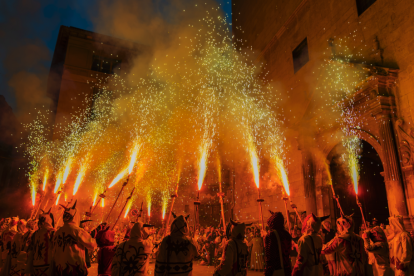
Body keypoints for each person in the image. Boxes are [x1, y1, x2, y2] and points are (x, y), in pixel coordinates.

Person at [51, 200, 97, 276]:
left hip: (59, 268)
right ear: (75, 216)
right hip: (74, 268)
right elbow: (92, 245)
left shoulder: (58, 231)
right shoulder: (78, 231)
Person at [25, 208, 56, 276]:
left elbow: (30, 248)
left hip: (35, 265)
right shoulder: (52, 232)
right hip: (47, 265)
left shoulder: (35, 233)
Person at [264, 211, 292, 276]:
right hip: (287, 270)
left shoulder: (272, 235)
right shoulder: (287, 234)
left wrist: (268, 272)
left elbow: (271, 257)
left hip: (276, 269)